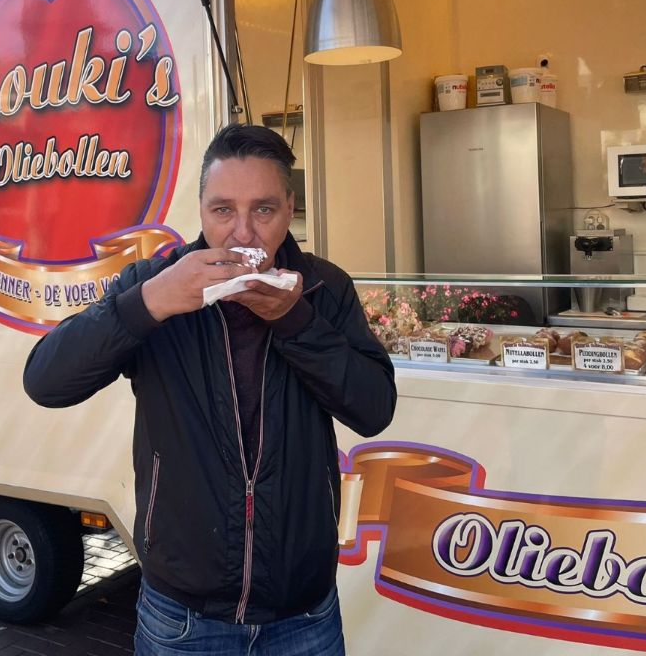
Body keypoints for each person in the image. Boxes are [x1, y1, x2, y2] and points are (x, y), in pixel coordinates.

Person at [24, 124, 397, 655]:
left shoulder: (323, 288)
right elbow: (45, 382)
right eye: (223, 210)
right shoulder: (154, 285)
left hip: (303, 613)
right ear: (200, 209)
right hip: (182, 615)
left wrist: (297, 323)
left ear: (289, 208)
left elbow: (374, 408)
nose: (243, 234)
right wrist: (148, 304)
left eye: (263, 210)